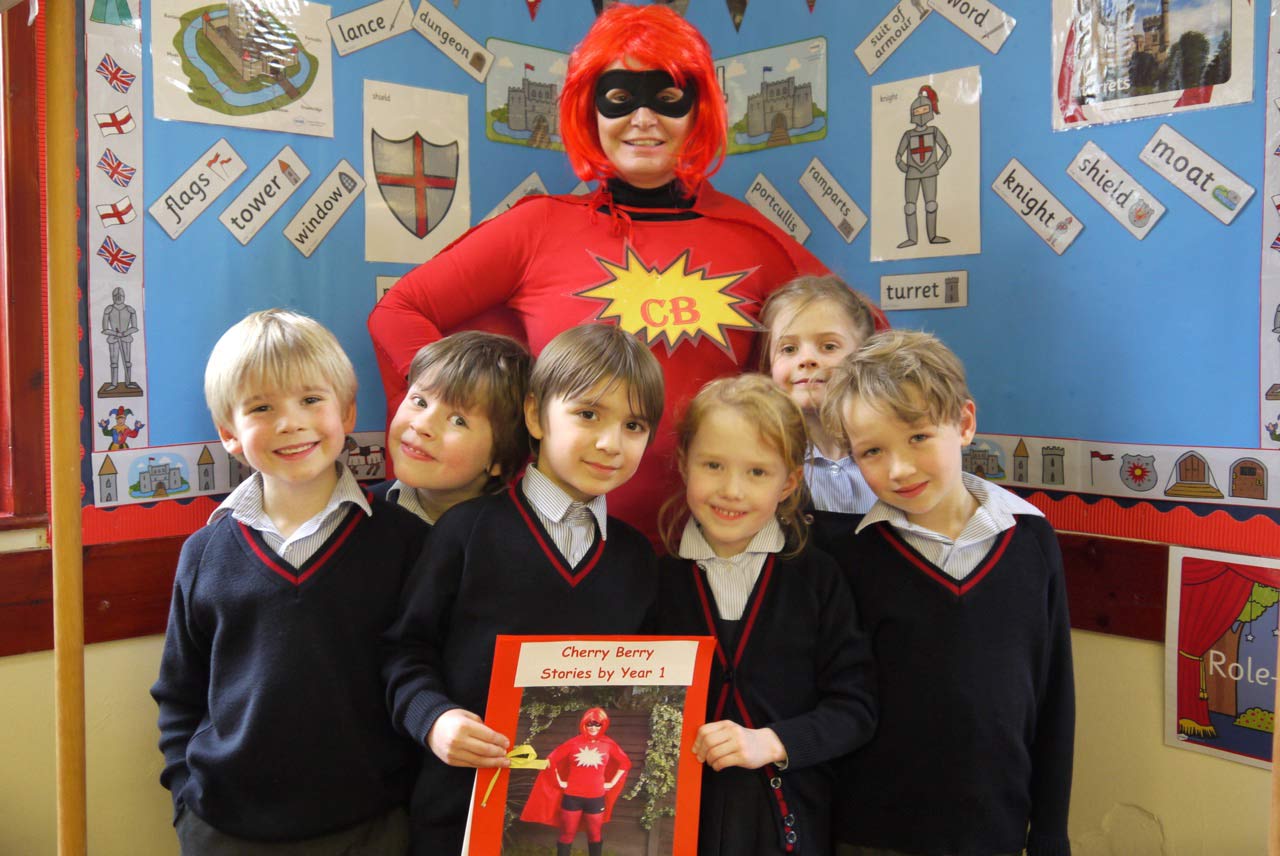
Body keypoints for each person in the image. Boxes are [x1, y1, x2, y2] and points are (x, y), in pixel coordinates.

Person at [368, 2, 887, 544]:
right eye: (619, 100)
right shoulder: (538, 228)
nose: (643, 120)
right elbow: (399, 312)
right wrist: (471, 413)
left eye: (667, 99)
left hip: (719, 540)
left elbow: (865, 337)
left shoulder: (753, 238)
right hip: (556, 540)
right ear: (588, 112)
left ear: (699, 110)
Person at [151, 309, 427, 855]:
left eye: (310, 400)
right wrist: (186, 798)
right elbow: (178, 694)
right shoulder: (204, 554)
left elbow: (420, 670)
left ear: (347, 411)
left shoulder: (403, 541)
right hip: (224, 828)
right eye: (261, 408)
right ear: (230, 435)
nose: (290, 422)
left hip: (370, 826)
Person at [383, 323, 664, 855]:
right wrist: (434, 719)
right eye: (588, 414)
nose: (611, 442)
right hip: (459, 815)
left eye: (633, 425)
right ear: (536, 415)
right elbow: (404, 651)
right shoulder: (465, 532)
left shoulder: (635, 558)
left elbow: (645, 695)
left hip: (583, 827)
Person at [818, 330, 1075, 856]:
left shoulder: (1032, 540)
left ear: (963, 422)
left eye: (918, 438)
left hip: (996, 830)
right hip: (869, 835)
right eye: (872, 451)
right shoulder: (847, 557)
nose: (899, 469)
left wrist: (1051, 832)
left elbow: (1054, 698)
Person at [654, 373, 877, 855]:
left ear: (789, 482)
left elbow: (855, 709)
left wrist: (774, 742)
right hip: (674, 829)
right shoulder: (655, 581)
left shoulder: (818, 579)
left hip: (788, 827)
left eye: (757, 472)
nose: (732, 490)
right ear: (683, 465)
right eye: (713, 465)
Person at [370, 330, 532, 524]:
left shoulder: (514, 537)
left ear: (500, 459)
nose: (422, 425)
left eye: (458, 421)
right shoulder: (360, 513)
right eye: (420, 402)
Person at [760, 274, 878, 515]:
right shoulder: (762, 460)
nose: (806, 359)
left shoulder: (890, 453)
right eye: (789, 349)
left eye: (829, 346)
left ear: (863, 356)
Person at [520, 707, 632, 856]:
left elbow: (625, 763)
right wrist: (559, 781)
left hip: (596, 798)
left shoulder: (609, 744)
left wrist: (612, 783)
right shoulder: (573, 743)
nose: (593, 727)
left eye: (597, 724)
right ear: (584, 724)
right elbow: (551, 760)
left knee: (594, 835)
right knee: (567, 834)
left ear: (603, 724)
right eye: (589, 723)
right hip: (572, 797)